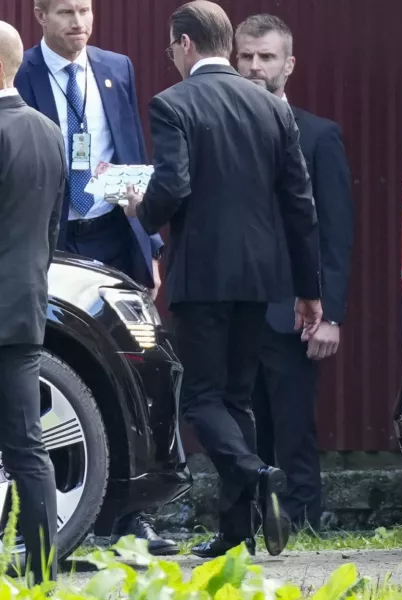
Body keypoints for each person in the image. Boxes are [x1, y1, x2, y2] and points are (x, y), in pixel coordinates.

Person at [123, 0, 324, 559]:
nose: (171, 58)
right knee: (238, 401)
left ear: (186, 44)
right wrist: (309, 291)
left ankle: (256, 473)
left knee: (202, 401)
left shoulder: (172, 104)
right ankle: (237, 534)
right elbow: (300, 203)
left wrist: (142, 207)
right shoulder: (271, 108)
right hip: (261, 278)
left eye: (171, 48)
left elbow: (174, 186)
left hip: (202, 274)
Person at [12, 0, 177, 556]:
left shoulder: (116, 67)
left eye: (84, 10)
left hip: (109, 229)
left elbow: (126, 150)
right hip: (51, 236)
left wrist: (147, 242)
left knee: (128, 368)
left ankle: (133, 519)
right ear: (40, 17)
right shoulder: (20, 71)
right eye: (65, 12)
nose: (78, 23)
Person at [235, 14, 354, 532]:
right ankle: (250, 522)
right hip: (236, 308)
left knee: (294, 426)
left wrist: (333, 314)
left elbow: (336, 233)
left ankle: (304, 521)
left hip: (295, 311)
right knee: (242, 426)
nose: (256, 66)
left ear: (289, 64)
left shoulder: (319, 136)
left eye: (267, 56)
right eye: (247, 56)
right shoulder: (219, 128)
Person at [0, 19, 63, 585]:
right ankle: (43, 570)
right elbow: (53, 226)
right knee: (27, 445)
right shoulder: (48, 130)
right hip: (24, 307)